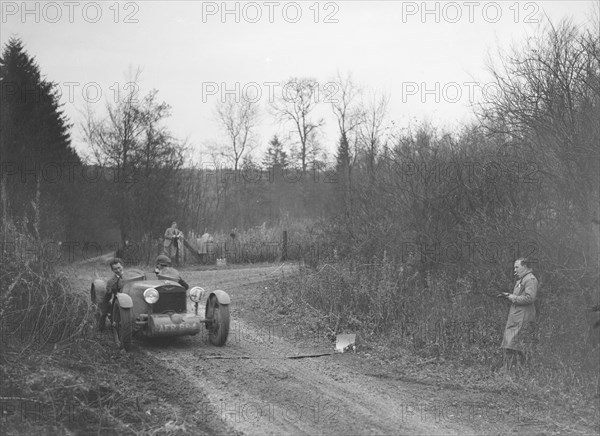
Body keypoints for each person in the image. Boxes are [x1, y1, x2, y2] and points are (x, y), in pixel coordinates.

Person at [499, 257, 539, 368]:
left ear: (525, 267)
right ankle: (510, 371)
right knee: (511, 346)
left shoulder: (530, 280)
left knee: (518, 347)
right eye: (514, 267)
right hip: (516, 318)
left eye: (517, 267)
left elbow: (530, 298)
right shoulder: (521, 280)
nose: (514, 270)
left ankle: (517, 372)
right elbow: (520, 297)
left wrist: (512, 297)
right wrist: (507, 295)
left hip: (523, 319)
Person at [99, 257, 125, 331]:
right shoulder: (111, 282)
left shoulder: (131, 276)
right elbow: (108, 296)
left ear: (122, 266)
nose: (118, 270)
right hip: (120, 303)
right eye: (115, 269)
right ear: (112, 270)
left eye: (119, 268)